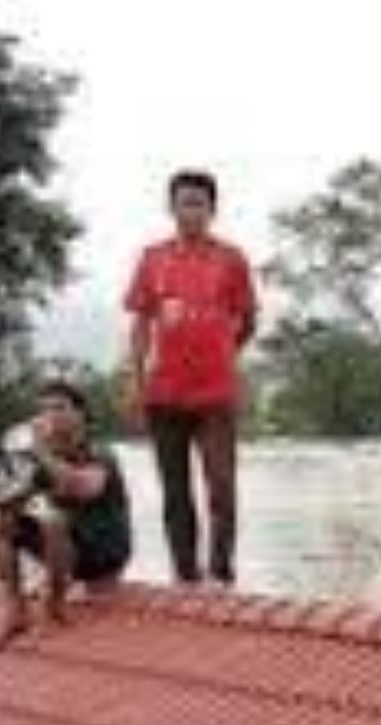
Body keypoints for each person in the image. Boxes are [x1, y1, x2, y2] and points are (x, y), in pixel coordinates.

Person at [123, 168, 259, 586]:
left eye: (200, 203)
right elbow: (141, 324)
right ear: (171, 207)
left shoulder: (231, 259)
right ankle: (185, 575)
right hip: (163, 392)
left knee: (221, 487)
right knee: (175, 492)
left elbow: (249, 318)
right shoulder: (152, 258)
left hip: (216, 393)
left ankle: (221, 574)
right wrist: (135, 382)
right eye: (184, 202)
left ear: (212, 209)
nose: (192, 210)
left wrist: (222, 351)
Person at [0, 380, 132, 649]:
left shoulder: (99, 451)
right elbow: (17, 494)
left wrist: (40, 454)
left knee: (53, 520)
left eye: (60, 408)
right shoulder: (38, 455)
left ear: (80, 414)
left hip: (102, 552)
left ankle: (54, 606)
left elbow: (85, 487)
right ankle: (17, 609)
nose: (51, 415)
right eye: (45, 410)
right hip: (64, 545)